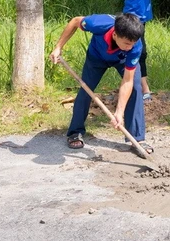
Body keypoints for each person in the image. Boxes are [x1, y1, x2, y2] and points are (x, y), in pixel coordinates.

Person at [49, 13, 153, 155]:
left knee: (135, 87)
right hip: (96, 57)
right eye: (127, 43)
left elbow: (127, 81)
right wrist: (58, 47)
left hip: (123, 60)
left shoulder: (134, 47)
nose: (130, 46)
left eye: (133, 43)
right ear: (115, 34)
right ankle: (75, 132)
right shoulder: (98, 23)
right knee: (86, 89)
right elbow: (74, 21)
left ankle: (137, 140)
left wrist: (119, 112)